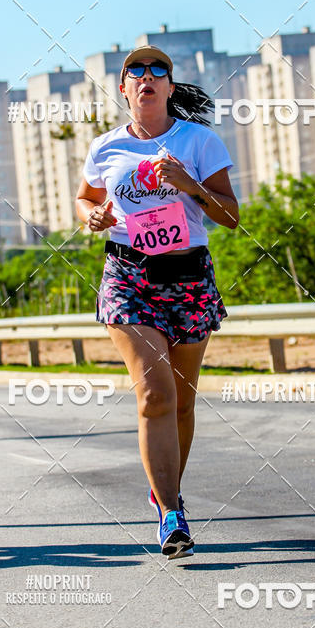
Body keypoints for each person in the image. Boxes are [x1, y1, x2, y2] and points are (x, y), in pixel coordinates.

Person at [75, 45, 239, 558]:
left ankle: (163, 486)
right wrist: (93, 216)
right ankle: (171, 513)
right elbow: (86, 197)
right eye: (135, 71)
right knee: (156, 397)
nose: (147, 76)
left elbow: (230, 216)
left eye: (158, 70)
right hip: (129, 274)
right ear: (123, 88)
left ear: (170, 86)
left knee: (184, 403)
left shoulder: (198, 141)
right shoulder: (105, 148)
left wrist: (190, 186)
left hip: (189, 278)